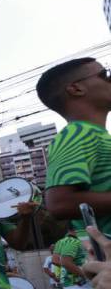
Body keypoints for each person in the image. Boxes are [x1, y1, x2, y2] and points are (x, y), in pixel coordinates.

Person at [37, 58, 111, 232]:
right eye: (104, 74)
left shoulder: (95, 135)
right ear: (76, 88)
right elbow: (59, 204)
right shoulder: (76, 133)